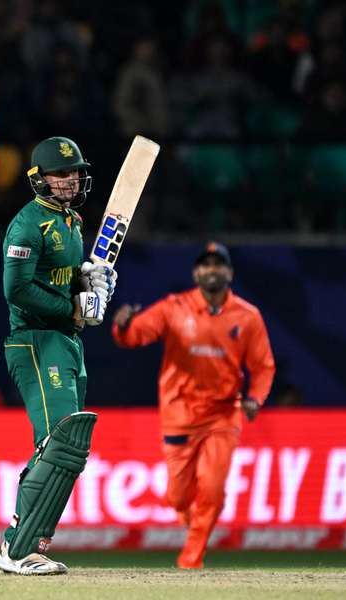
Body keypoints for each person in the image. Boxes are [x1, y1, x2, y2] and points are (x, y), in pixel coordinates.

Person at [111, 242, 275, 569]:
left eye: (218, 265)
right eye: (206, 265)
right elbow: (136, 336)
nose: (212, 270)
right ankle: (195, 512)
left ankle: (191, 560)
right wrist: (124, 326)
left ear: (229, 272)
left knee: (212, 489)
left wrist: (255, 398)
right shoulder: (175, 308)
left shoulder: (248, 316)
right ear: (195, 272)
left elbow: (263, 367)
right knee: (178, 497)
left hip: (223, 415)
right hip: (179, 415)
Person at [0, 136, 116, 575]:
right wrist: (72, 306)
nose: (69, 181)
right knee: (63, 441)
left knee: (63, 449)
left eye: (74, 173)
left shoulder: (72, 221)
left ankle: (23, 542)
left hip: (66, 340)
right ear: (39, 179)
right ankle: (18, 550)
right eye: (60, 174)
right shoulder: (28, 225)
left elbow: (63, 281)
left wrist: (88, 285)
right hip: (33, 340)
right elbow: (17, 289)